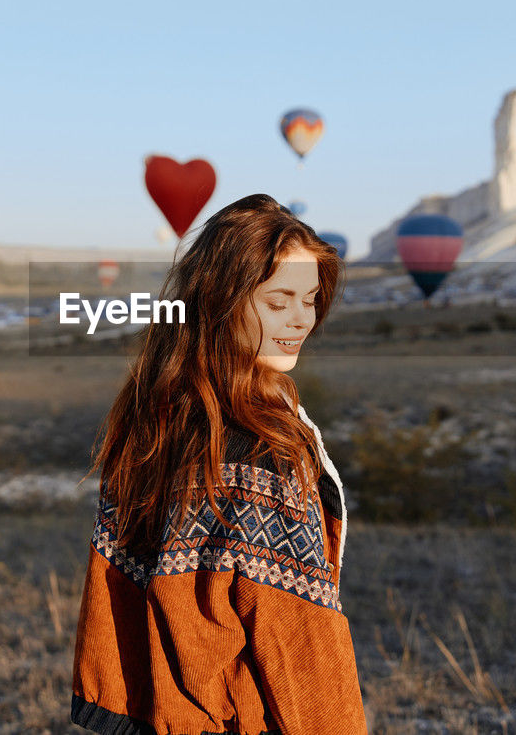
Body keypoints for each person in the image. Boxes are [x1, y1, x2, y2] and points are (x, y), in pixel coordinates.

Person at [70, 194, 368, 733]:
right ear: (221, 301)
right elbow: (299, 644)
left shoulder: (157, 420)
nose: (301, 319)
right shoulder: (262, 454)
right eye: (278, 302)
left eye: (310, 298)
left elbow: (112, 601)